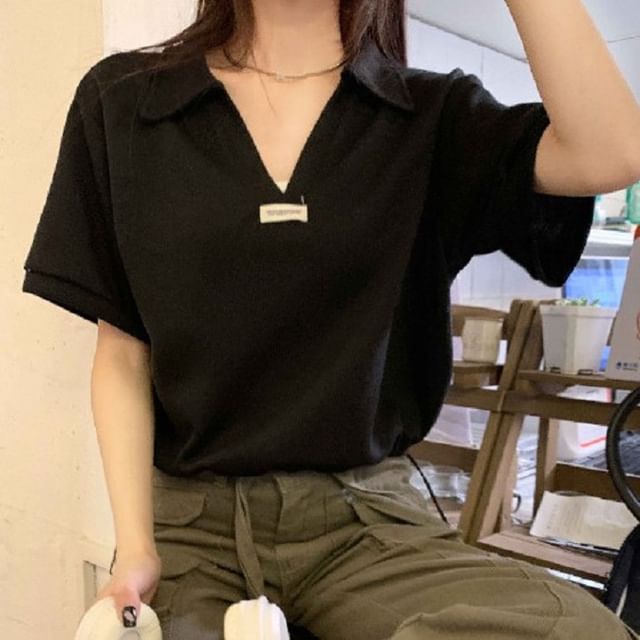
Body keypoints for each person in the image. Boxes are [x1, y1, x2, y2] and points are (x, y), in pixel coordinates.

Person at [21, 0, 640, 638]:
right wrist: (136, 549)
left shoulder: (432, 117)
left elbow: (614, 152)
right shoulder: (124, 103)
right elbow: (122, 352)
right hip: (193, 524)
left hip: (370, 525)